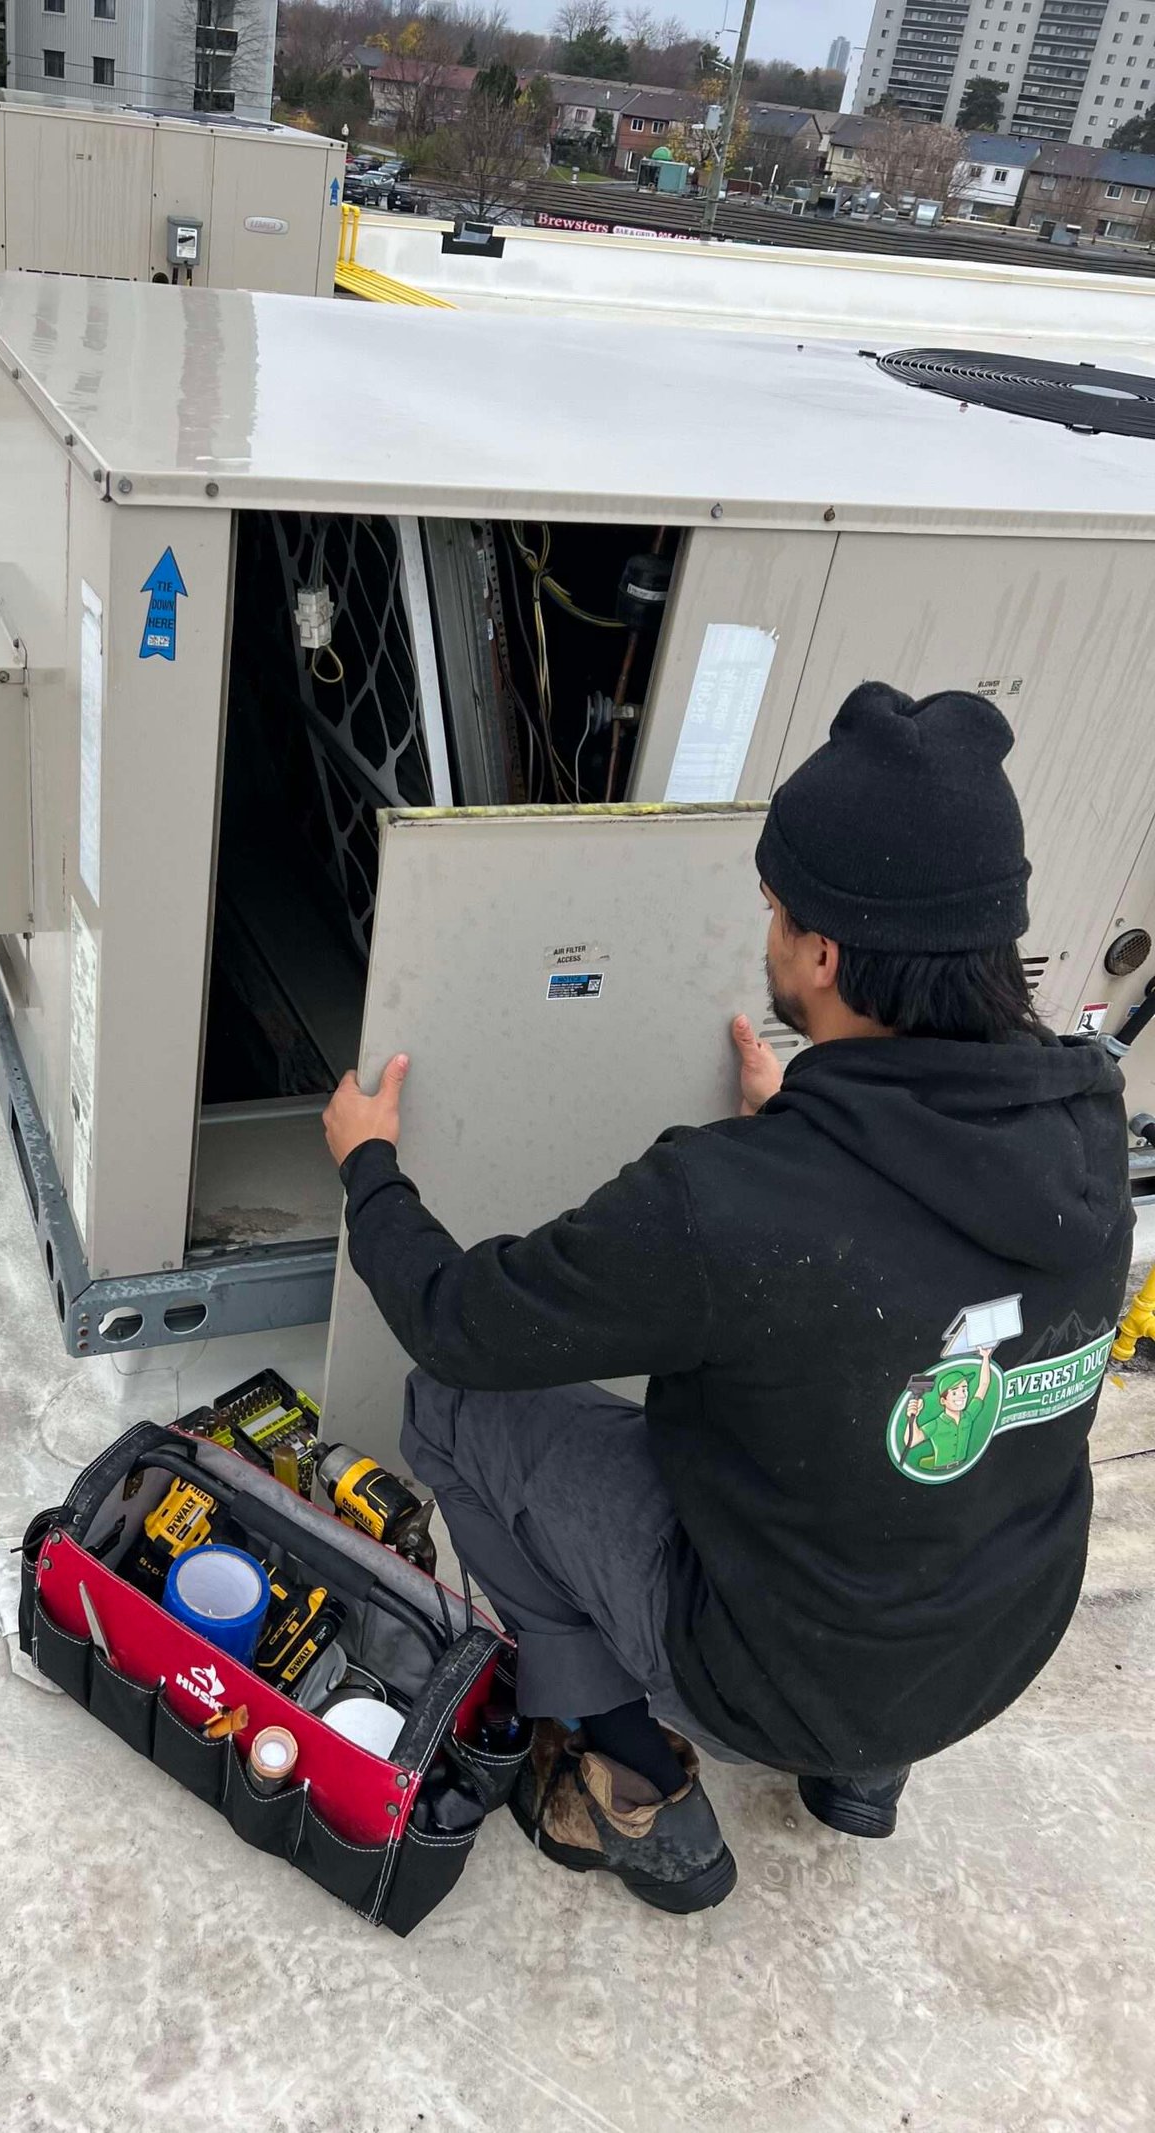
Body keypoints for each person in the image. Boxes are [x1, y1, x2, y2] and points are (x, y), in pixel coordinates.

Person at [320, 683, 1132, 1916]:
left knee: (448, 1410)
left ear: (818, 952)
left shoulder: (727, 1206)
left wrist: (369, 1170)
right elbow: (897, 1271)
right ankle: (861, 1776)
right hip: (990, 1648)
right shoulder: (1079, 1122)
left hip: (775, 1677)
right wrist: (814, 1121)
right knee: (930, 1434)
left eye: (772, 908)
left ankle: (628, 1777)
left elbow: (459, 1322)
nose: (765, 933)